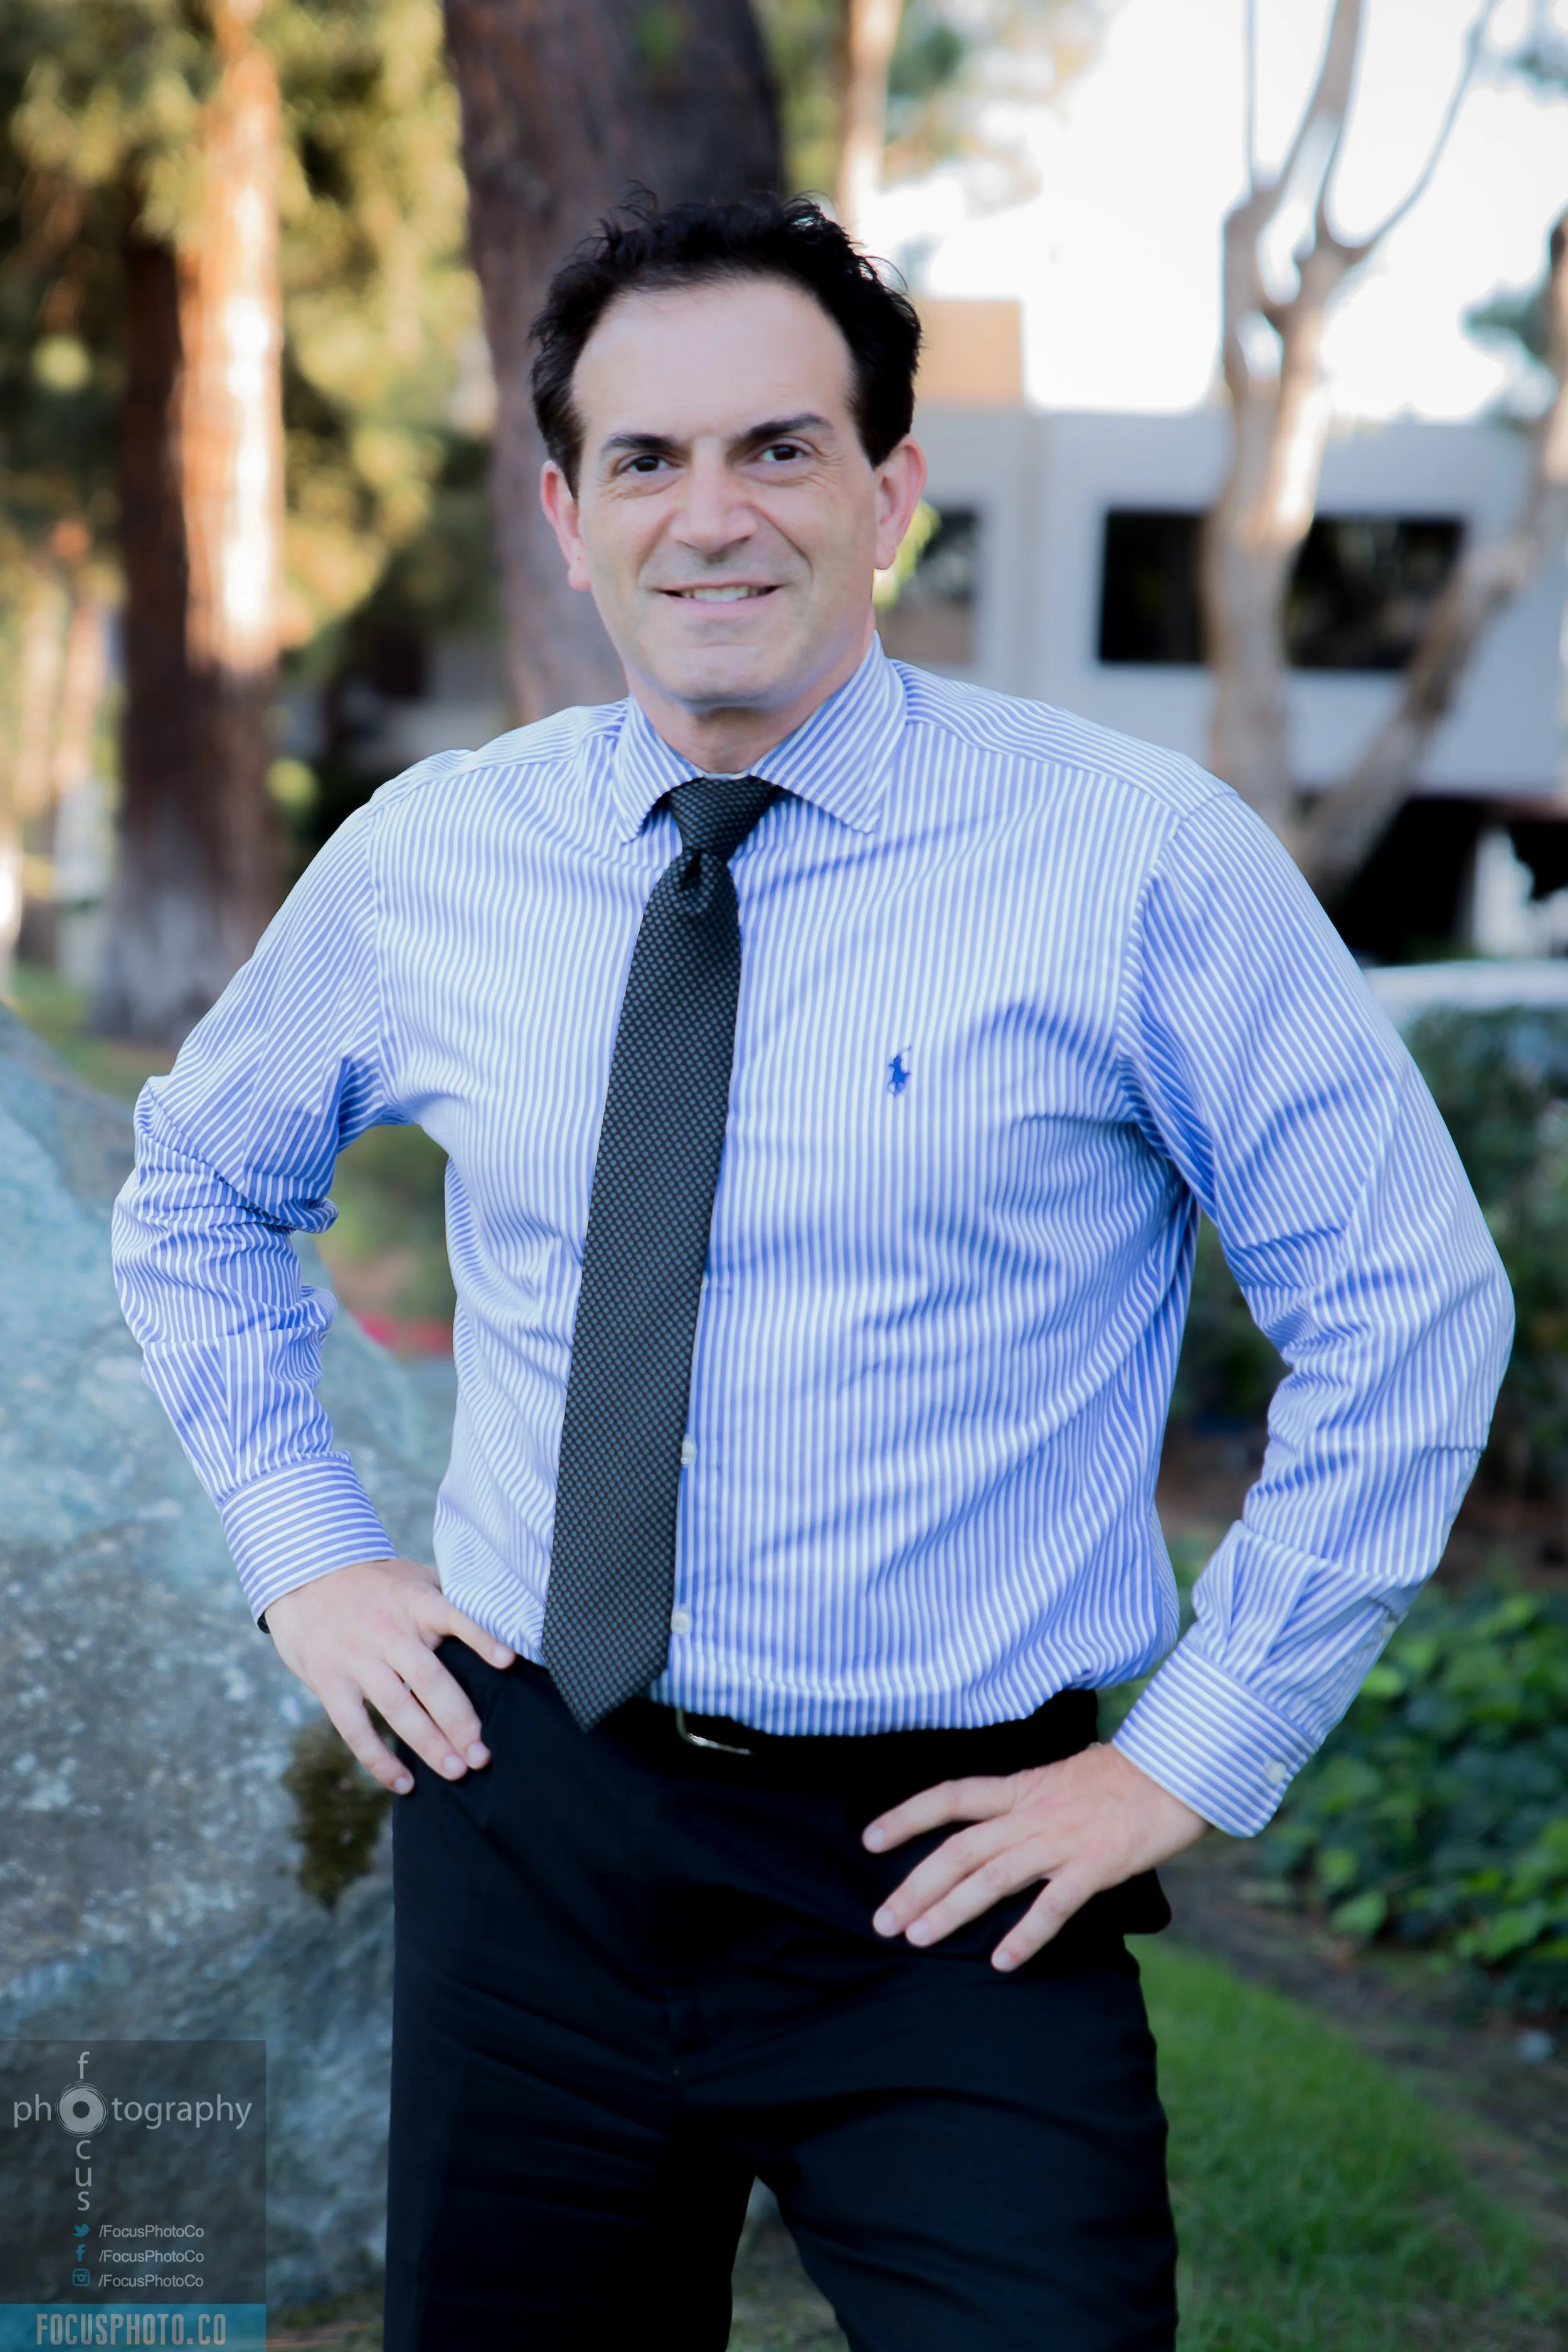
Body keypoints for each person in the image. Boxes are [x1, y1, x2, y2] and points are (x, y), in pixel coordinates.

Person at [112, 193, 1512, 2351]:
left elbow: (1408, 1302)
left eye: (778, 447)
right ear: (568, 518)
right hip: (529, 1824)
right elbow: (194, 1191)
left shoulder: (1136, 861)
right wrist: (309, 1553)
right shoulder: (432, 859)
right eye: (646, 464)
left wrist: (1191, 1752)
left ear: (892, 492)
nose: (713, 517)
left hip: (948, 1872)